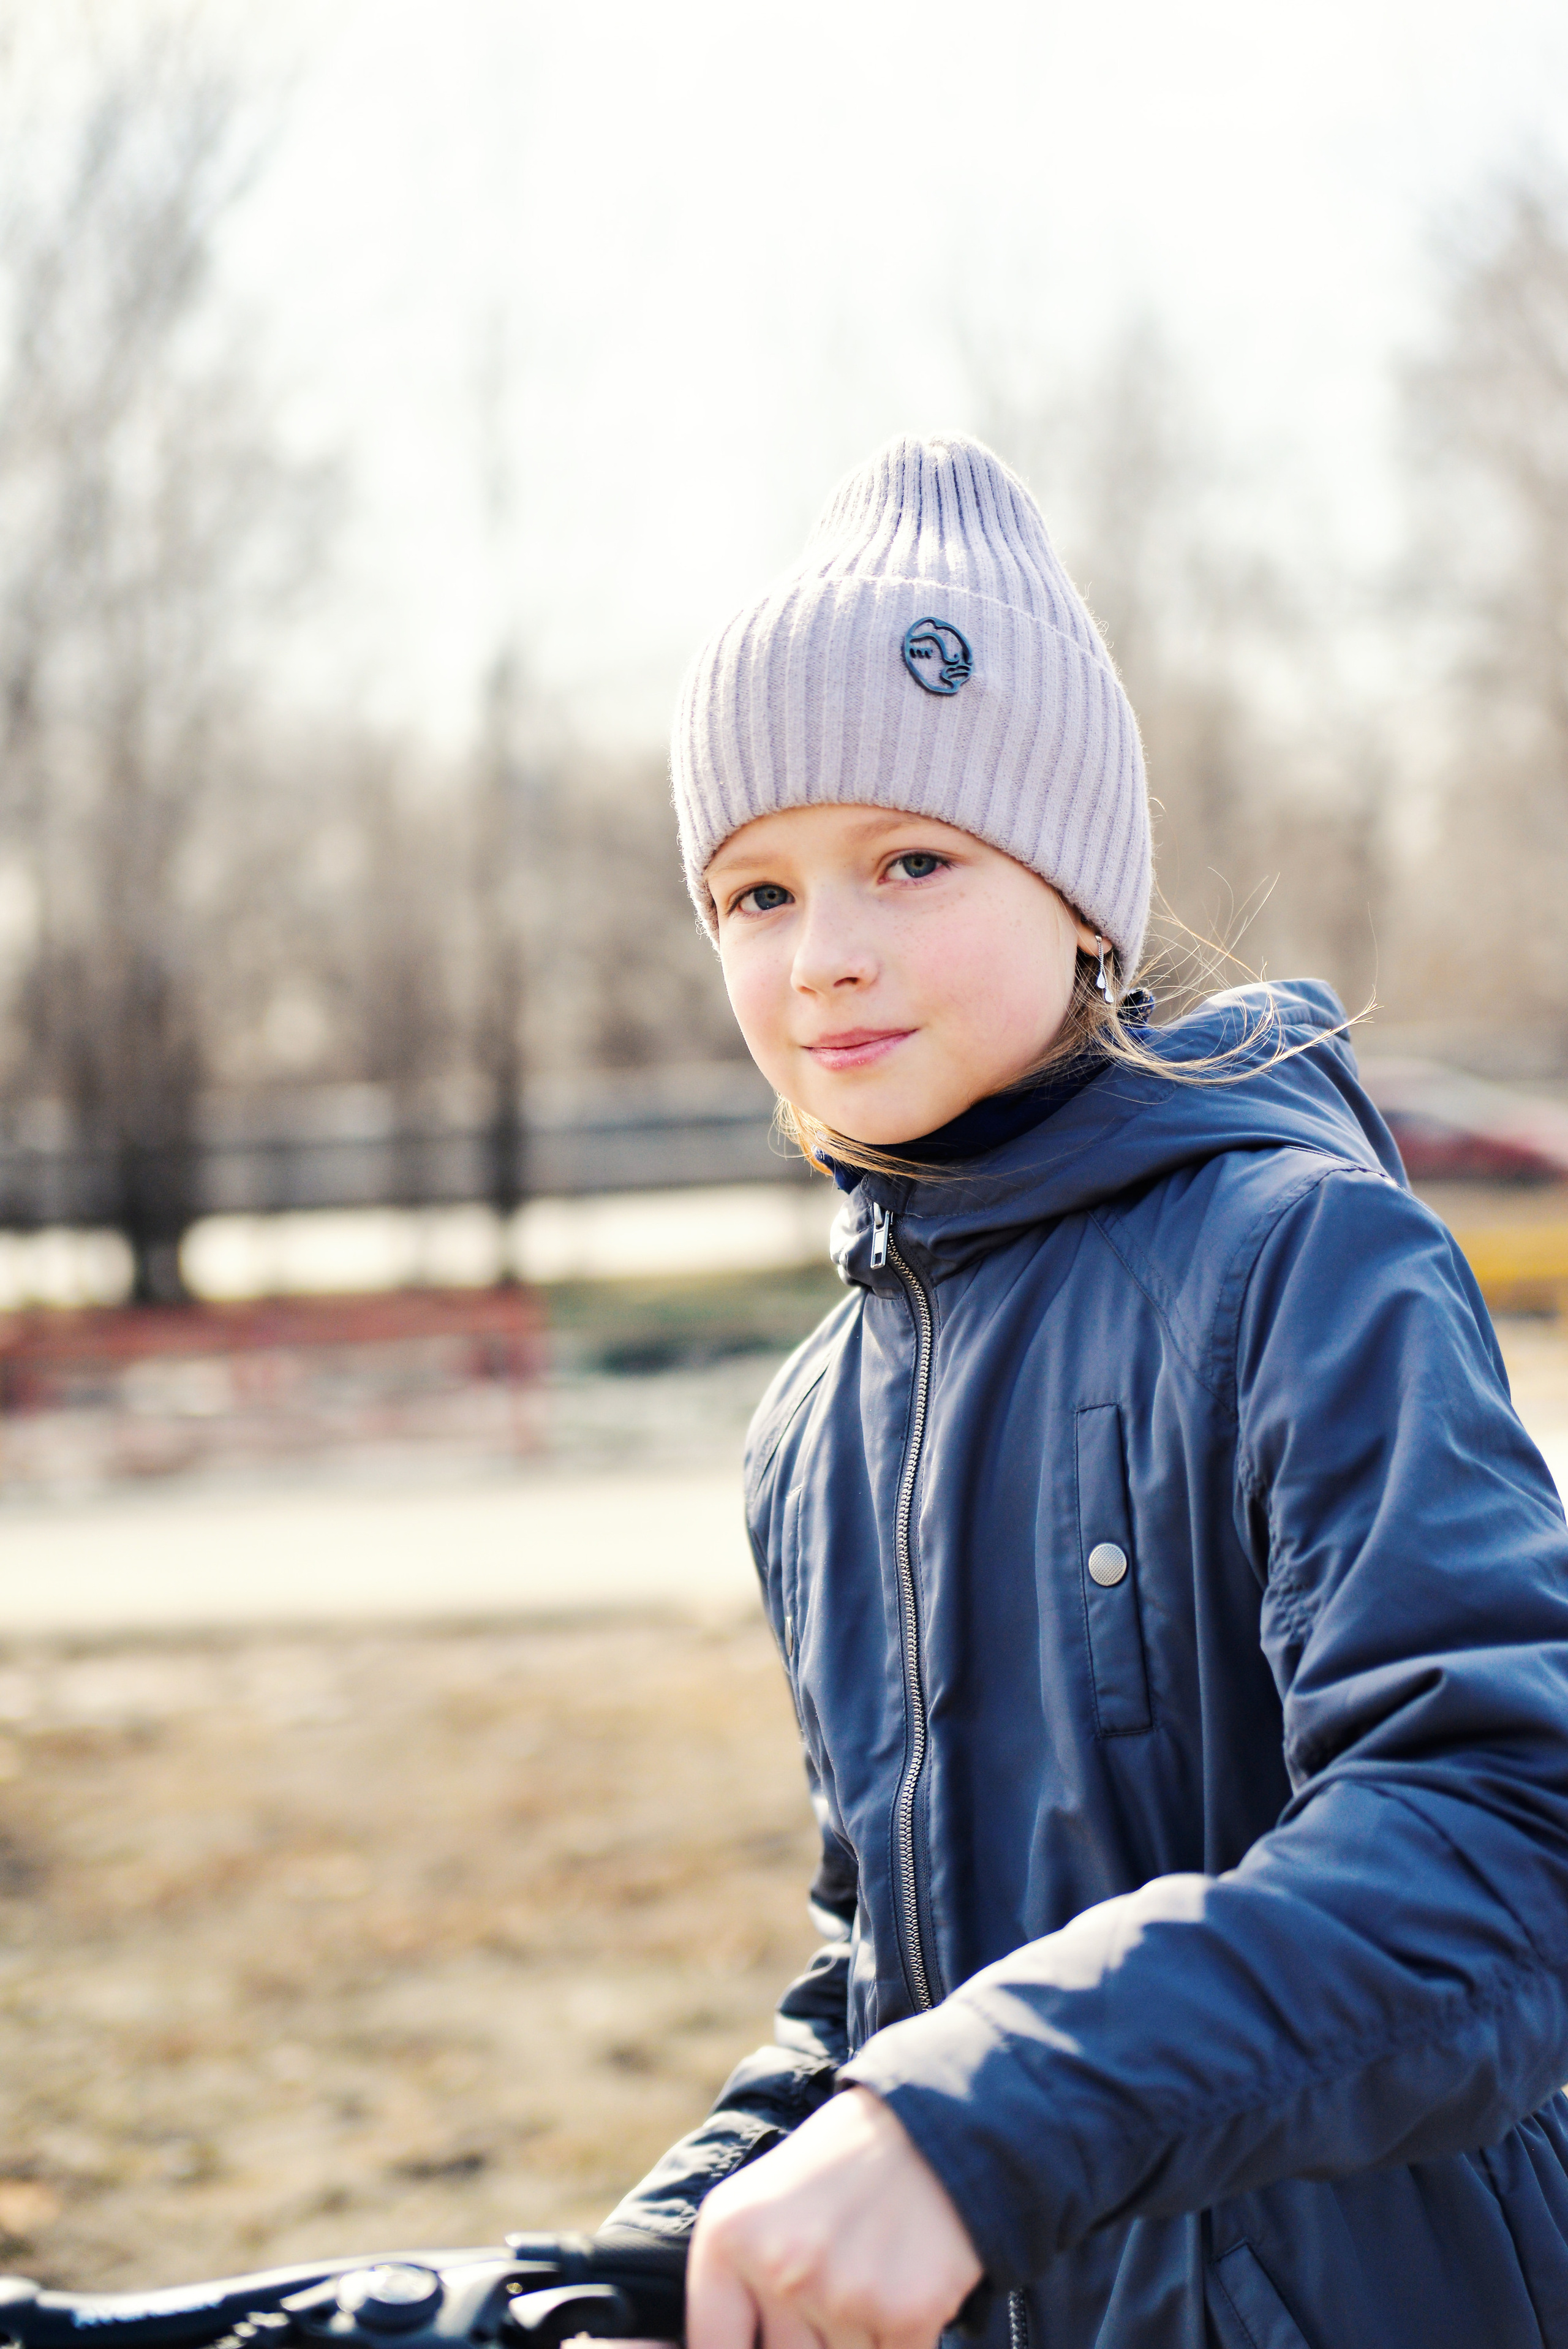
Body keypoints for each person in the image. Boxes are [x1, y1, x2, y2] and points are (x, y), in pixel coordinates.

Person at [598, 434, 1568, 2349]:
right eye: (755, 893)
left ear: (1082, 898)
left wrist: (975, 2123)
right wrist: (655, 2249)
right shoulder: (812, 1429)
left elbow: (1508, 1836)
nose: (828, 956)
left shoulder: (1302, 1258)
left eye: (912, 859)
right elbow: (886, 1956)